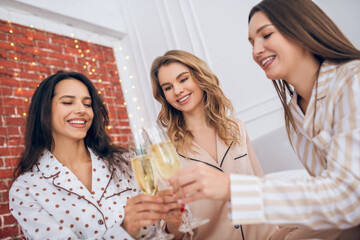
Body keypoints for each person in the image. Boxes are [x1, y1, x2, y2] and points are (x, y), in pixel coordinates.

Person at [169, 0, 360, 239]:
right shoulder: (294, 110)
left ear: (301, 29)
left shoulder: (352, 81)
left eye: (266, 35)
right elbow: (324, 198)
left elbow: (350, 197)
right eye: (251, 43)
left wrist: (230, 188)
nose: (255, 51)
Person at [9, 71, 185, 239]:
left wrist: (174, 224)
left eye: (87, 104)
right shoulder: (26, 189)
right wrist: (123, 230)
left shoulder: (124, 162)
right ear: (44, 111)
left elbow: (162, 232)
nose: (82, 110)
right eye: (68, 102)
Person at [150, 50, 284, 239]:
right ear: (164, 96)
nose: (178, 90)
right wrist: (173, 220)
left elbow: (262, 184)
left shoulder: (236, 127)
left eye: (183, 79)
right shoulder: (167, 152)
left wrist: (284, 229)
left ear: (199, 77)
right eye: (168, 87)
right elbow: (172, 229)